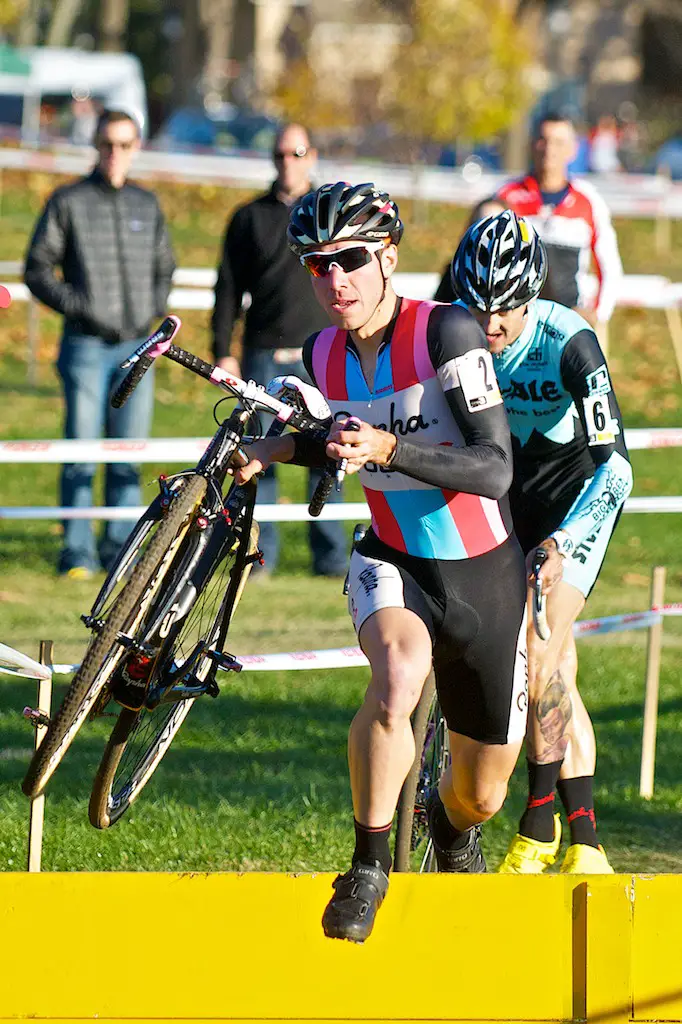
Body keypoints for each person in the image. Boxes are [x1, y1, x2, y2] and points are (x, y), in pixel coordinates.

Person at [234, 182, 529, 942]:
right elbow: (341, 436)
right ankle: (368, 865)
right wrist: (277, 448)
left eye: (352, 260)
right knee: (396, 675)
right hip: (394, 555)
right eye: (317, 264)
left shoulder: (447, 333)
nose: (335, 279)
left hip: (484, 573)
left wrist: (393, 448)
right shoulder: (321, 349)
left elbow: (495, 468)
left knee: (484, 795)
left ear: (389, 258)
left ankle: (449, 828)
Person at [450, 209, 633, 874]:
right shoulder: (458, 332)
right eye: (479, 308)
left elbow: (618, 466)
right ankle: (585, 841)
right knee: (557, 669)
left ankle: (538, 823)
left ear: (533, 296)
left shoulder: (569, 341)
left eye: (506, 310)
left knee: (536, 650)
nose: (490, 326)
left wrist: (562, 543)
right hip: (509, 503)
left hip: (577, 506)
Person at [24, 108, 176, 579]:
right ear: (95, 145)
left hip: (139, 349)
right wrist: (82, 307)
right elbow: (37, 269)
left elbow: (164, 266)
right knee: (81, 453)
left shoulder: (146, 205)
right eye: (108, 143)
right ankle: (76, 553)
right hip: (86, 349)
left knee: (129, 455)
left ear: (137, 148)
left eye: (125, 144)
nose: (116, 153)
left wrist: (149, 309)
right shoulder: (67, 201)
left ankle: (121, 551)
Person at [211, 123, 346, 578]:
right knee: (259, 456)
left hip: (321, 354)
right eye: (280, 155)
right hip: (263, 352)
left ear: (312, 157)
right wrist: (223, 350)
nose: (288, 162)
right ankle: (259, 553)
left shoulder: (328, 217)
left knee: (329, 453)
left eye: (297, 153)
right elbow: (228, 289)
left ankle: (330, 556)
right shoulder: (249, 217)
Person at [496, 113, 622, 349]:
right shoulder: (505, 196)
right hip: (515, 330)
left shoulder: (590, 200)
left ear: (573, 149)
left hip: (569, 327)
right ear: (532, 144)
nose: (549, 149)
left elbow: (610, 266)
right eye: (543, 140)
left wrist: (597, 313)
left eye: (559, 142)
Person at [433, 197, 505, 303]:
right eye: (482, 224)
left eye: (497, 226)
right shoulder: (455, 272)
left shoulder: (524, 273)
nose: (488, 233)